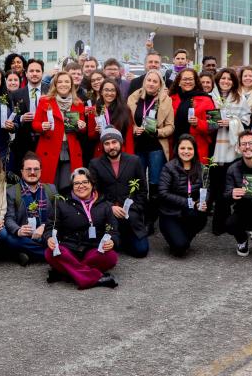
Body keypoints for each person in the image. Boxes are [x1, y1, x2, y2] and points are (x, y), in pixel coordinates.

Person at [44, 167, 120, 289]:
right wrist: (49, 238)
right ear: (72, 186)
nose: (81, 186)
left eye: (85, 182)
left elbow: (113, 230)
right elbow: (50, 227)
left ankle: (66, 273)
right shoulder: (62, 203)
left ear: (92, 184)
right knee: (50, 253)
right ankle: (96, 278)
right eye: (76, 183)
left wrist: (112, 241)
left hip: (93, 248)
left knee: (111, 257)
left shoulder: (105, 204)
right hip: (69, 247)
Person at [88, 128, 149, 257]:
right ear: (102, 146)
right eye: (107, 143)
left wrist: (134, 208)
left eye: (114, 142)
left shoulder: (134, 161)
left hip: (131, 215)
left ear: (120, 142)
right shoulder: (95, 164)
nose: (111, 147)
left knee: (141, 251)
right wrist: (110, 207)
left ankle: (121, 240)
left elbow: (142, 190)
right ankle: (117, 239)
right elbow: (93, 193)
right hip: (107, 215)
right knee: (100, 250)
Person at [127, 69, 174, 232]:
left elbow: (171, 127)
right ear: (144, 81)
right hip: (137, 147)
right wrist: (134, 128)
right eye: (149, 80)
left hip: (156, 148)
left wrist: (157, 132)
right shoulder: (133, 98)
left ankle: (151, 220)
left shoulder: (166, 100)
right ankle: (138, 215)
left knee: (154, 184)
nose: (151, 84)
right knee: (138, 183)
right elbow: (127, 121)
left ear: (160, 84)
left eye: (155, 81)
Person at [32, 71, 86, 192]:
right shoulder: (45, 101)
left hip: (70, 149)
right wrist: (42, 126)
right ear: (55, 84)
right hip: (49, 147)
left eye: (67, 81)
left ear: (71, 85)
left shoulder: (78, 103)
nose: (63, 84)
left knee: (67, 185)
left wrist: (82, 126)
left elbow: (82, 128)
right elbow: (35, 124)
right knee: (49, 185)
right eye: (60, 82)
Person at [158, 135, 207, 257]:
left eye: (190, 148)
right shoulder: (169, 167)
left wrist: (202, 201)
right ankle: (178, 240)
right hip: (170, 213)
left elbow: (207, 188)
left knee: (201, 217)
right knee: (180, 248)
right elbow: (163, 193)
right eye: (182, 148)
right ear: (177, 149)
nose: (186, 151)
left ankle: (182, 239)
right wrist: (189, 202)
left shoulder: (201, 168)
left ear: (194, 150)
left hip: (189, 212)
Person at [3, 153, 55, 265]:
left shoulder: (51, 189)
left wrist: (44, 227)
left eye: (36, 169)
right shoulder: (11, 192)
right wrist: (18, 230)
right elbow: (9, 218)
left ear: (41, 171)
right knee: (10, 240)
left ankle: (28, 254)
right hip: (24, 237)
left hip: (46, 233)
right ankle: (51, 254)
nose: (32, 172)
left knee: (59, 237)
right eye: (28, 169)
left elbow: (57, 216)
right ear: (22, 171)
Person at [208, 68, 243, 235]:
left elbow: (246, 120)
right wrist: (213, 123)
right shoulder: (211, 96)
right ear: (217, 80)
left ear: (234, 82)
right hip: (213, 146)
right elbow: (206, 120)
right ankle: (218, 222)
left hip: (231, 149)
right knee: (215, 185)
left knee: (228, 185)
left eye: (229, 79)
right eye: (223, 78)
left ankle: (226, 221)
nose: (226, 81)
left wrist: (231, 123)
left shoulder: (240, 98)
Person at [168, 68, 215, 161]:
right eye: (185, 79)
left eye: (190, 79)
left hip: (198, 148)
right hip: (174, 147)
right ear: (179, 82)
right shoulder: (170, 99)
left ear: (195, 82)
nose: (188, 82)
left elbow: (214, 125)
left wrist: (198, 123)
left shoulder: (207, 99)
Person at [9, 59, 45, 175]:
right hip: (23, 142)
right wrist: (21, 118)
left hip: (45, 140)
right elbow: (11, 117)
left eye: (38, 71)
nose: (34, 74)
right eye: (31, 71)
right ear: (26, 73)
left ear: (42, 73)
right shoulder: (16, 94)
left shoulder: (50, 91)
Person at [89, 79, 135, 158]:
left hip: (121, 152)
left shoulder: (124, 109)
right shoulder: (94, 110)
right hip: (101, 153)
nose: (109, 93)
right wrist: (96, 131)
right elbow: (90, 135)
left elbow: (129, 135)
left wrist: (130, 156)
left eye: (113, 90)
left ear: (117, 93)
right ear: (101, 92)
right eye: (106, 90)